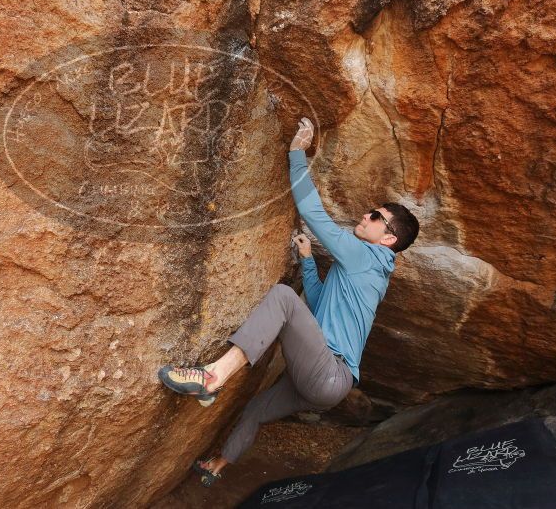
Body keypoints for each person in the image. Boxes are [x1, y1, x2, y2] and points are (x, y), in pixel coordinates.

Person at [157, 117, 420, 487]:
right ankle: (215, 467)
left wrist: (296, 153)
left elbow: (315, 215)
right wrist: (308, 260)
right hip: (322, 380)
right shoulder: (367, 270)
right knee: (256, 409)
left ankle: (212, 377)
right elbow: (315, 304)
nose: (366, 215)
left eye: (376, 216)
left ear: (388, 238)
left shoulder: (369, 258)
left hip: (330, 373)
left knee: (282, 296)